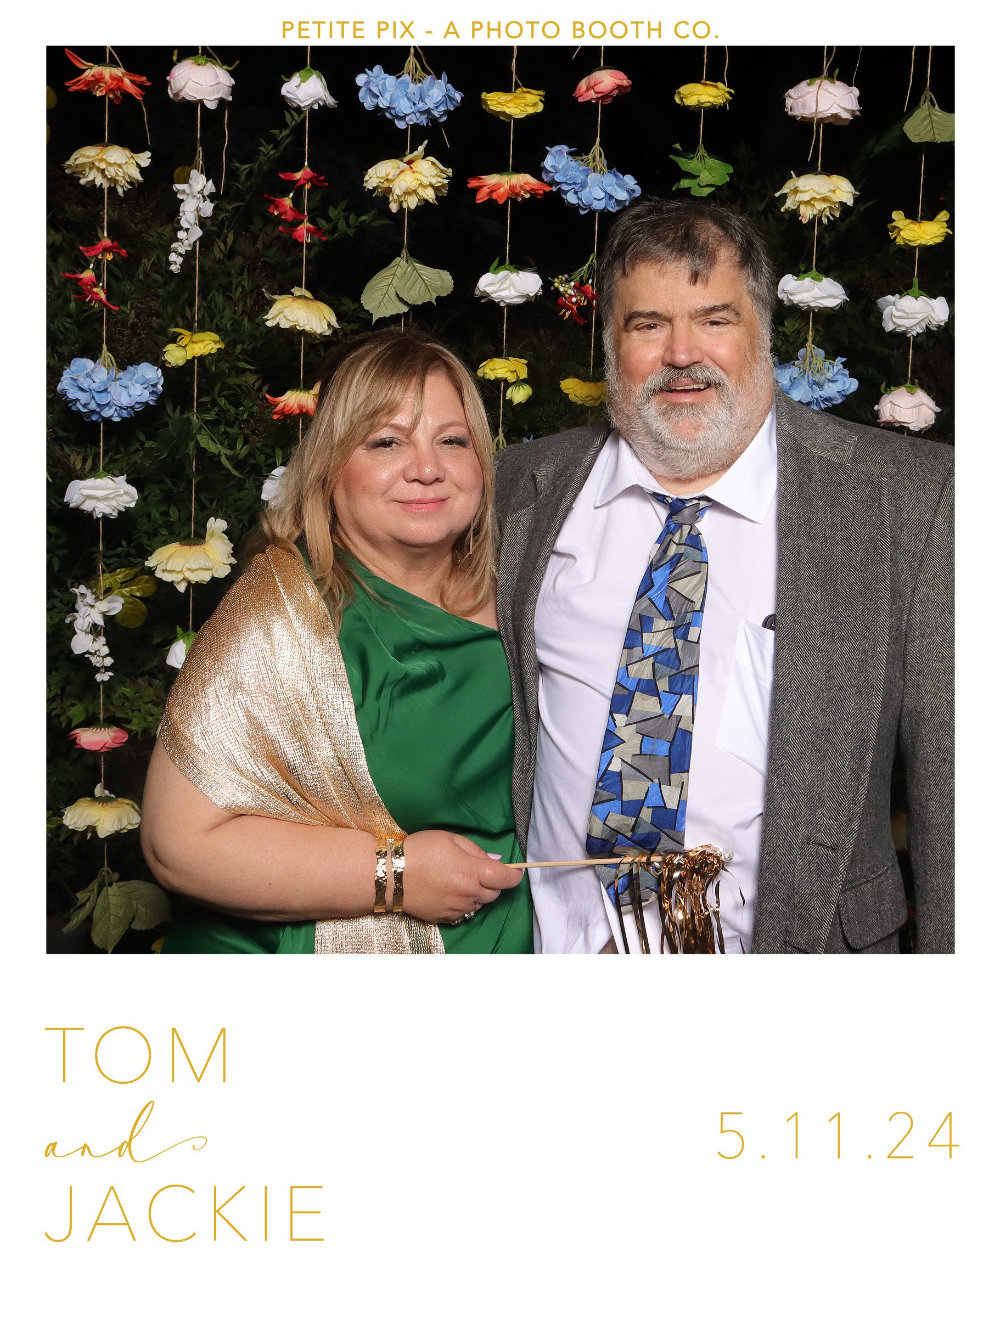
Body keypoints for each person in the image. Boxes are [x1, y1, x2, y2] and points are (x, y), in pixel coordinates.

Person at [494, 197, 953, 954]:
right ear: (609, 343)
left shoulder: (906, 499)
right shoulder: (521, 487)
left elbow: (956, 798)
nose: (682, 353)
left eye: (714, 319)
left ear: (762, 331)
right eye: (648, 325)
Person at [141, 329, 532, 953]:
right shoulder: (282, 614)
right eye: (387, 442)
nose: (427, 469)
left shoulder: (529, 586)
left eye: (452, 441)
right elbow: (179, 846)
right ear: (330, 465)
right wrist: (394, 876)